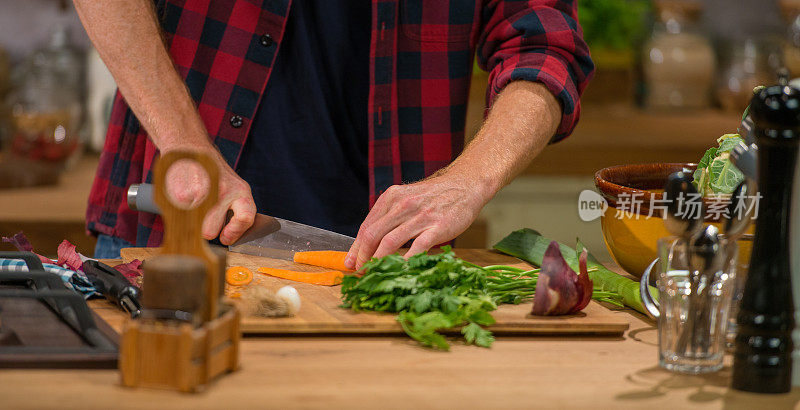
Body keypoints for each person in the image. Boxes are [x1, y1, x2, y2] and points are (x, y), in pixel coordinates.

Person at [75, 0, 593, 269]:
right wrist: (184, 144)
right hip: (174, 237)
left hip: (386, 268)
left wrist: (469, 179)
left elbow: (545, 46)